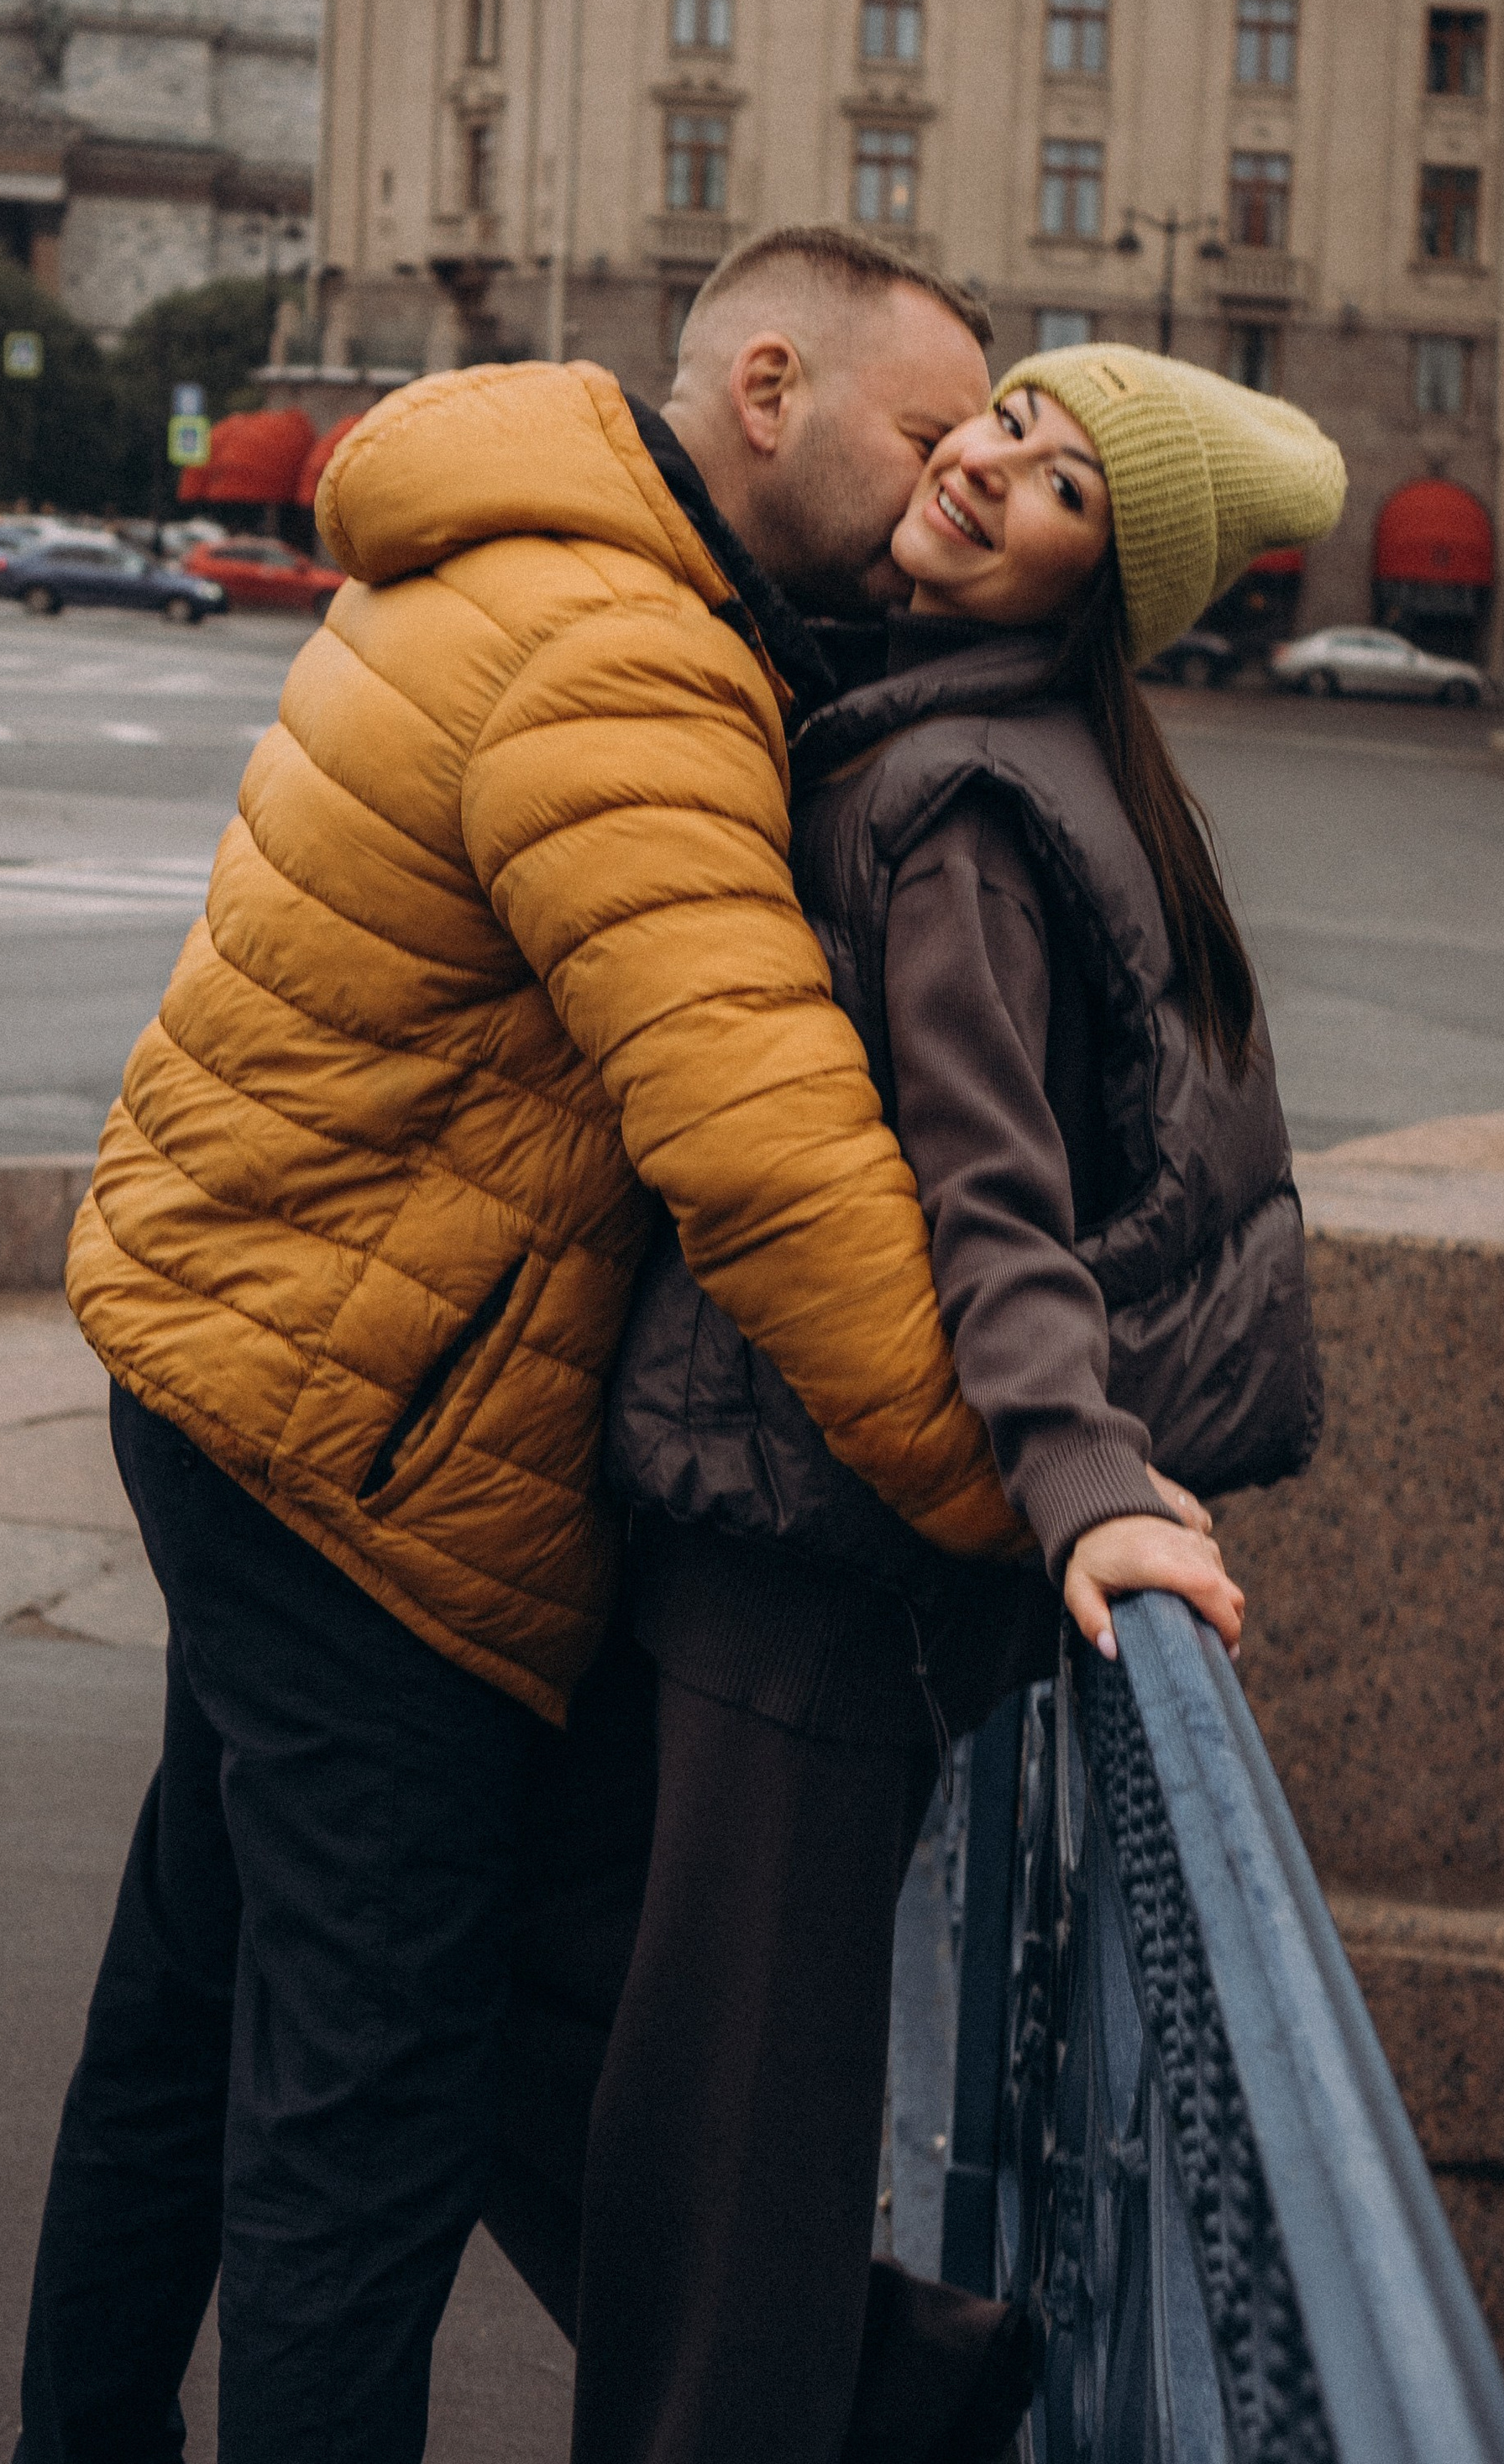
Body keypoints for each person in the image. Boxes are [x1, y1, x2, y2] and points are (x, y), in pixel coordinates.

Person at [17, 228, 1040, 2464]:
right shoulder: (625, 660)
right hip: (362, 1457)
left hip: (245, 1363)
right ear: (769, 386)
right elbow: (765, 1150)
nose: (947, 480)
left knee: (189, 2014)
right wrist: (1023, 1496)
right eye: (923, 428)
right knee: (357, 2123)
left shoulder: (533, 546)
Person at [487, 340, 1344, 2464]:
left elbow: (992, 1196)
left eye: (1055, 487)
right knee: (577, 2030)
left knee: (730, 2147)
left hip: (816, 1561)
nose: (985, 468)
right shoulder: (968, 735)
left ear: (1090, 583)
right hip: (785, 1531)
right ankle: (905, 2381)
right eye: (1003, 422)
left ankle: (837, 2392)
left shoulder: (951, 800)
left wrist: (1075, 1481)